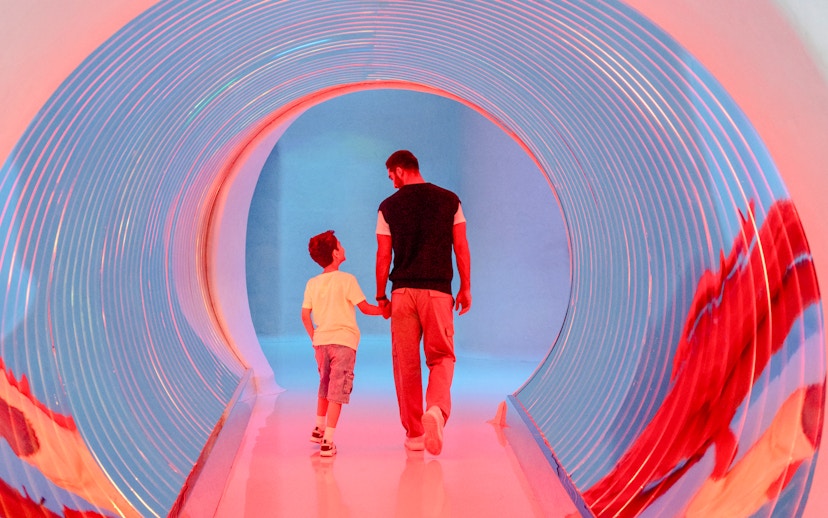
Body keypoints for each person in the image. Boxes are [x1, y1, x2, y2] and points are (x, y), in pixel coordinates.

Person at [375, 150, 471, 456]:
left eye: (392, 176)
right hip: (438, 293)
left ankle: (415, 434)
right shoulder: (450, 201)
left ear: (401, 170)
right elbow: (460, 246)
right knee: (442, 356)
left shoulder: (388, 207)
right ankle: (436, 410)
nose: (392, 183)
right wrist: (465, 287)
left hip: (402, 294)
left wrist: (381, 296)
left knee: (406, 364)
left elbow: (383, 255)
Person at [302, 230, 384, 457]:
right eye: (340, 244)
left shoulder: (312, 283)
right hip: (344, 343)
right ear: (336, 254)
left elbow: (305, 315)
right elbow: (365, 308)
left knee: (324, 385)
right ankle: (328, 441)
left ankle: (318, 427)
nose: (343, 247)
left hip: (321, 343)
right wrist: (386, 311)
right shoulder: (347, 280)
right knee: (337, 391)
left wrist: (315, 338)